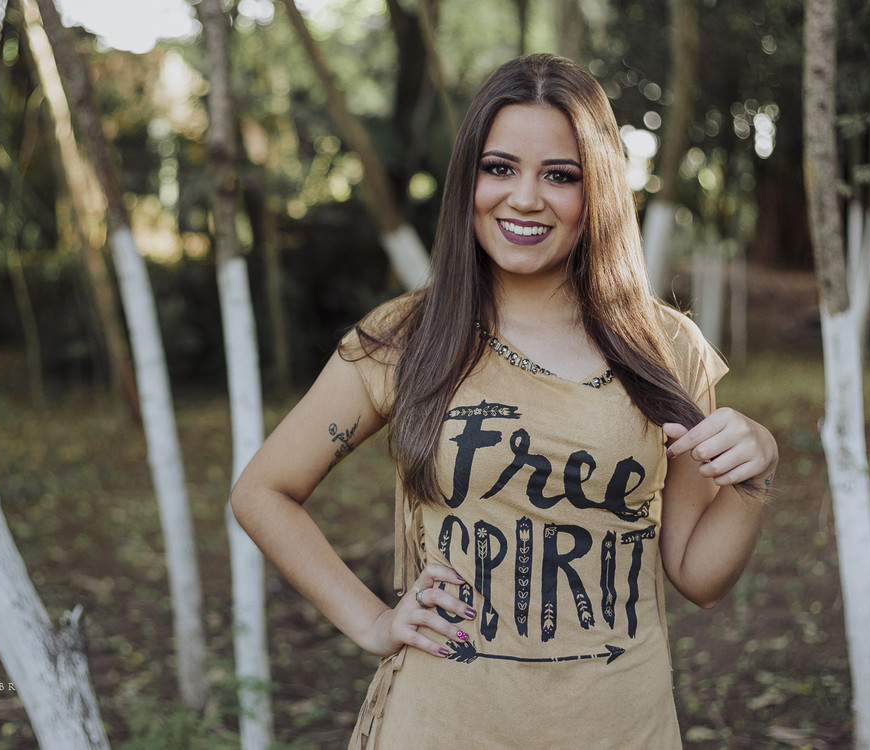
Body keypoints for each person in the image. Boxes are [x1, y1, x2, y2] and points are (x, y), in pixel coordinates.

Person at [230, 53, 778, 749]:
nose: (524, 198)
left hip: (619, 726)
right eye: (500, 168)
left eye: (560, 175)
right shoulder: (407, 339)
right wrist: (372, 622)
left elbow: (699, 578)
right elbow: (263, 490)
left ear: (597, 190)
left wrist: (754, 474)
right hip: (441, 725)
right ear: (470, 182)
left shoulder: (666, 346)